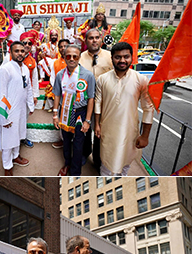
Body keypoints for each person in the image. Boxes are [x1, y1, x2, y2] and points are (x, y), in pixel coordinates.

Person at [94, 42, 154, 176]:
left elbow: (148, 109)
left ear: (132, 57)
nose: (122, 60)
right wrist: (97, 124)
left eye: (126, 57)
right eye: (118, 57)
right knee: (106, 166)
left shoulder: (141, 80)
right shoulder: (102, 79)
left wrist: (145, 136)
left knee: (125, 165)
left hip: (129, 131)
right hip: (107, 130)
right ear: (112, 59)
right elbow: (98, 102)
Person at [52, 45, 97, 175]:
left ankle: (75, 171)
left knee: (78, 143)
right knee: (66, 141)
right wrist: (55, 114)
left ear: (79, 57)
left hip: (80, 113)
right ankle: (67, 164)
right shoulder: (60, 74)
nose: (71, 59)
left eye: (75, 56)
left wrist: (88, 120)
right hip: (65, 112)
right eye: (68, 56)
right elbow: (57, 94)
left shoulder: (87, 75)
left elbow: (91, 98)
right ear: (64, 57)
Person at [0, 40, 33, 174]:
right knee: (8, 140)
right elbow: (1, 95)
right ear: (10, 52)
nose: (20, 53)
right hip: (9, 111)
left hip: (22, 109)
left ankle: (16, 156)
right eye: (16, 51)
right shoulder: (5, 69)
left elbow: (28, 88)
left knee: (18, 134)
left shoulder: (25, 68)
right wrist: (3, 118)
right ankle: (7, 167)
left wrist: (31, 105)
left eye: (22, 51)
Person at [78, 28, 113, 171]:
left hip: (104, 101)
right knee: (85, 128)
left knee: (101, 131)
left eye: (97, 37)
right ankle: (86, 152)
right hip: (85, 100)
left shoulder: (110, 56)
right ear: (86, 41)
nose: (94, 40)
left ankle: (99, 159)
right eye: (91, 38)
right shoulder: (80, 57)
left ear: (101, 39)